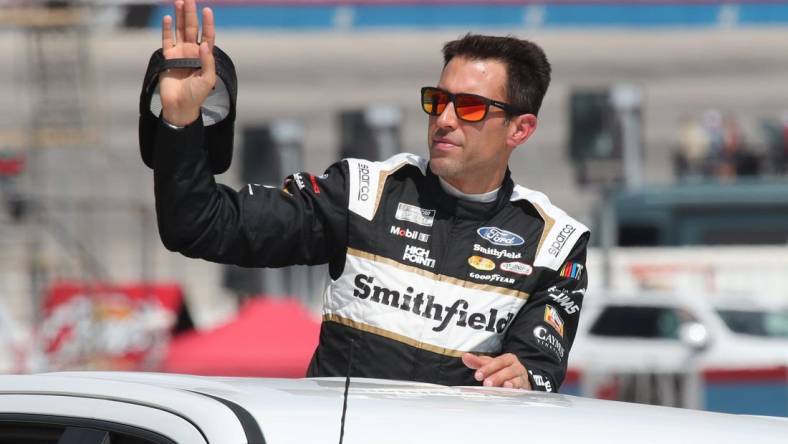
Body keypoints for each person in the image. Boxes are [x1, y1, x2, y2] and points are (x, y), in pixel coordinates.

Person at [153, 0, 589, 392]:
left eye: (470, 107)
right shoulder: (363, 192)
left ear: (520, 129)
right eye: (438, 101)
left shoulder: (555, 244)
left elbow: (538, 370)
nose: (445, 119)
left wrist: (523, 379)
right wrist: (180, 119)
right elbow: (199, 225)